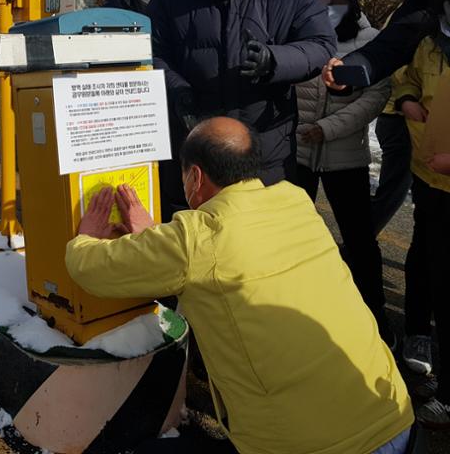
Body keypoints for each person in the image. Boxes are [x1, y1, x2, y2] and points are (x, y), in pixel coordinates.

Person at [66, 117, 415, 454]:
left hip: (309, 446)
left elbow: (89, 269)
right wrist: (155, 238)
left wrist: (87, 237)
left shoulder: (193, 238)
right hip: (395, 418)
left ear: (195, 177)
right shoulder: (296, 203)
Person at [147, 0, 336, 221]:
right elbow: (153, 53)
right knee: (194, 244)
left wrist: (275, 60)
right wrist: (177, 91)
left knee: (264, 245)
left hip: (266, 149)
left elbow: (321, 45)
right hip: (194, 148)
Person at [322, 0, 450, 234]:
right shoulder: (419, 9)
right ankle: (359, 244)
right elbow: (388, 49)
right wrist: (352, 70)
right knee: (426, 239)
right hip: (416, 138)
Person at [294, 0, 393, 344]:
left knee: (360, 238)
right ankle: (298, 311)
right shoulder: (296, 34)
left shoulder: (370, 39)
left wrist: (327, 129)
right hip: (300, 151)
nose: (327, 7)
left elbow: (375, 96)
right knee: (293, 236)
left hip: (346, 153)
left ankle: (376, 317)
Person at [392, 0, 450, 427]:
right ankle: (417, 338)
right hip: (428, 173)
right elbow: (406, 78)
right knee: (424, 258)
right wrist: (408, 99)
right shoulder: (429, 45)